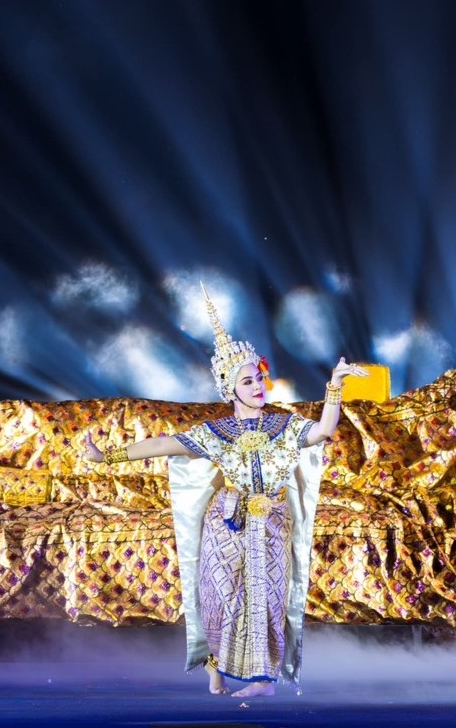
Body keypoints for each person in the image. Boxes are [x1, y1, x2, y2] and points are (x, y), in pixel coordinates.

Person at [85, 288, 365, 698]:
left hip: (271, 521)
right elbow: (164, 444)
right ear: (229, 389)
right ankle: (215, 668)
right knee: (220, 597)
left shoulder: (284, 426)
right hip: (227, 521)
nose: (258, 386)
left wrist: (334, 385)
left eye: (259, 378)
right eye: (247, 381)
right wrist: (105, 456)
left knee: (267, 598)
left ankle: (263, 680)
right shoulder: (215, 433)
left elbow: (323, 430)